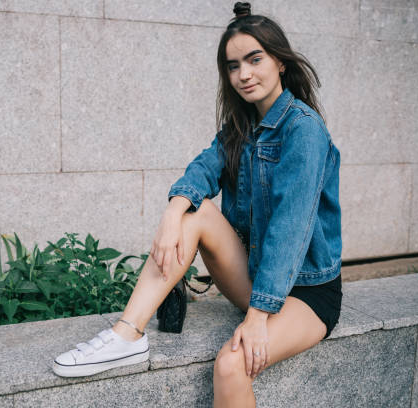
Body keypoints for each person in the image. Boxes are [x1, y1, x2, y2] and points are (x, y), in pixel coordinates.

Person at [53, 2, 342, 406]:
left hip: (307, 291)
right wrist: (174, 212)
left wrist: (258, 318)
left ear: (280, 61)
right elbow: (203, 170)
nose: (243, 74)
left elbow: (289, 230)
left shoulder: (304, 130)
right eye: (233, 64)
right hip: (256, 276)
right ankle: (127, 334)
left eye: (254, 59)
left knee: (230, 364)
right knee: (194, 210)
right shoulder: (242, 125)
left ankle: (133, 333)